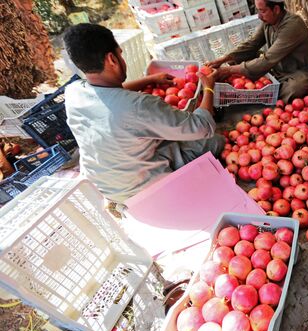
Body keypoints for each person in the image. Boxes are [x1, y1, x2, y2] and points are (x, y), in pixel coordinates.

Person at [63, 23, 225, 209]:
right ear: (111, 59)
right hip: (145, 190)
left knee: (155, 135)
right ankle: (175, 186)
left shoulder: (73, 92)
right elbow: (203, 126)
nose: (122, 59)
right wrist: (208, 87)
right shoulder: (139, 106)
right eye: (120, 54)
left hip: (105, 185)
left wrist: (149, 80)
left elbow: (110, 96)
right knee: (214, 141)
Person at [206, 0, 308, 102]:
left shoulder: (293, 26)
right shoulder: (269, 21)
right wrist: (223, 59)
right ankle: (267, 87)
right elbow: (252, 44)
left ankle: (268, 93)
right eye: (258, 11)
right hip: (277, 68)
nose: (259, 16)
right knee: (240, 57)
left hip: (300, 72)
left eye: (262, 11)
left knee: (294, 89)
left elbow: (268, 59)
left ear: (276, 9)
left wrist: (228, 70)